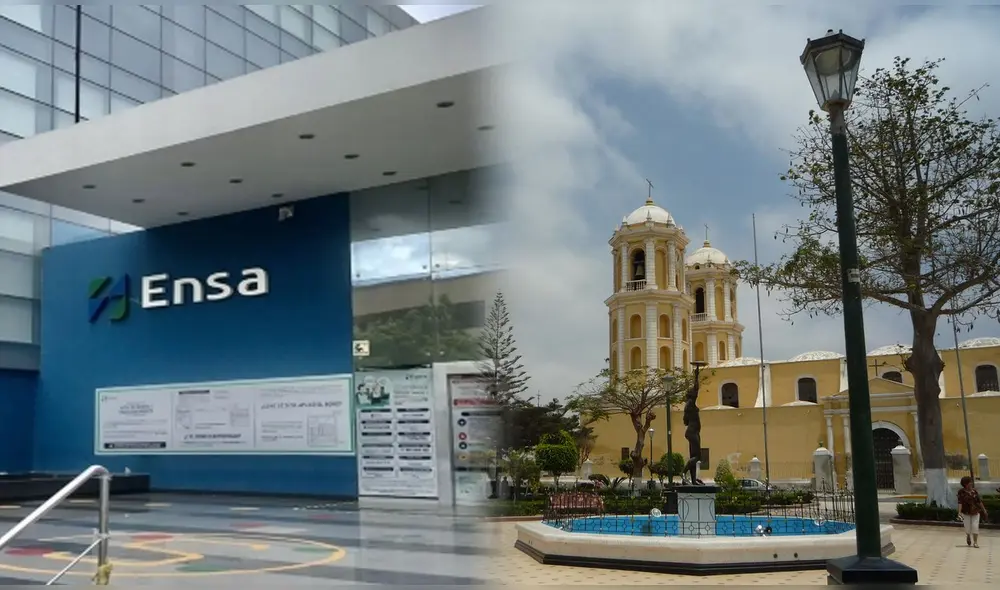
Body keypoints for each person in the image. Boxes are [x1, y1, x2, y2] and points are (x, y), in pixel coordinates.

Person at [957, 476, 988, 548]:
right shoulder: (961, 492)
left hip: (975, 511)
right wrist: (959, 512)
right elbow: (960, 502)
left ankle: (975, 542)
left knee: (975, 526)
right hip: (966, 512)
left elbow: (979, 502)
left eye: (971, 482)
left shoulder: (975, 491)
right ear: (965, 484)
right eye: (969, 482)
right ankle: (968, 535)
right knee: (967, 528)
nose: (971, 483)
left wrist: (984, 510)